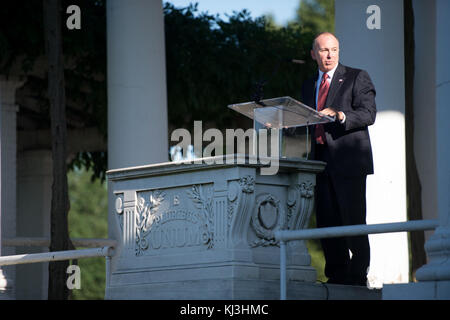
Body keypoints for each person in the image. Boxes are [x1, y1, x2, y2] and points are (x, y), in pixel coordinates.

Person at [301, 32, 377, 286]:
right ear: (314, 54)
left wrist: (341, 115)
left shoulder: (356, 77)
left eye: (334, 49)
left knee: (353, 219)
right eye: (323, 50)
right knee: (327, 220)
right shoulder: (309, 84)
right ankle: (336, 276)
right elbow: (305, 122)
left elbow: (368, 114)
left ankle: (357, 275)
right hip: (319, 161)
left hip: (349, 161)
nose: (330, 55)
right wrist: (281, 122)